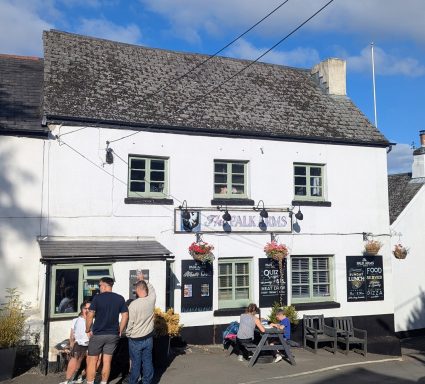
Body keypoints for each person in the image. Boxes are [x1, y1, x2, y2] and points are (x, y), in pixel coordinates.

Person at [85, 277, 129, 384]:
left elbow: (90, 315)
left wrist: (87, 329)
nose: (99, 288)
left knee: (92, 360)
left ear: (104, 285)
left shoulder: (97, 298)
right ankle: (104, 382)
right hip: (113, 335)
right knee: (107, 361)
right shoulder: (120, 298)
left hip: (98, 334)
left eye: (99, 285)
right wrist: (120, 330)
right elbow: (125, 315)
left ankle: (90, 382)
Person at [126, 279, 156, 384]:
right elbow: (152, 289)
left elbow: (130, 323)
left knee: (135, 364)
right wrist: (145, 280)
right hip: (148, 337)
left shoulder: (133, 305)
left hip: (135, 339)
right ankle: (147, 382)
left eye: (135, 289)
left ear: (138, 289)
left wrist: (128, 334)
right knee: (147, 362)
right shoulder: (151, 300)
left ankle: (133, 382)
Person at [59, 301, 91, 384]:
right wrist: (71, 345)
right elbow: (72, 335)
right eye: (85, 308)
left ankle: (85, 379)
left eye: (89, 309)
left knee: (89, 362)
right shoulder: (76, 320)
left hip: (90, 344)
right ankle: (68, 380)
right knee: (74, 360)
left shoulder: (93, 320)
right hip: (79, 344)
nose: (87, 310)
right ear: (82, 309)